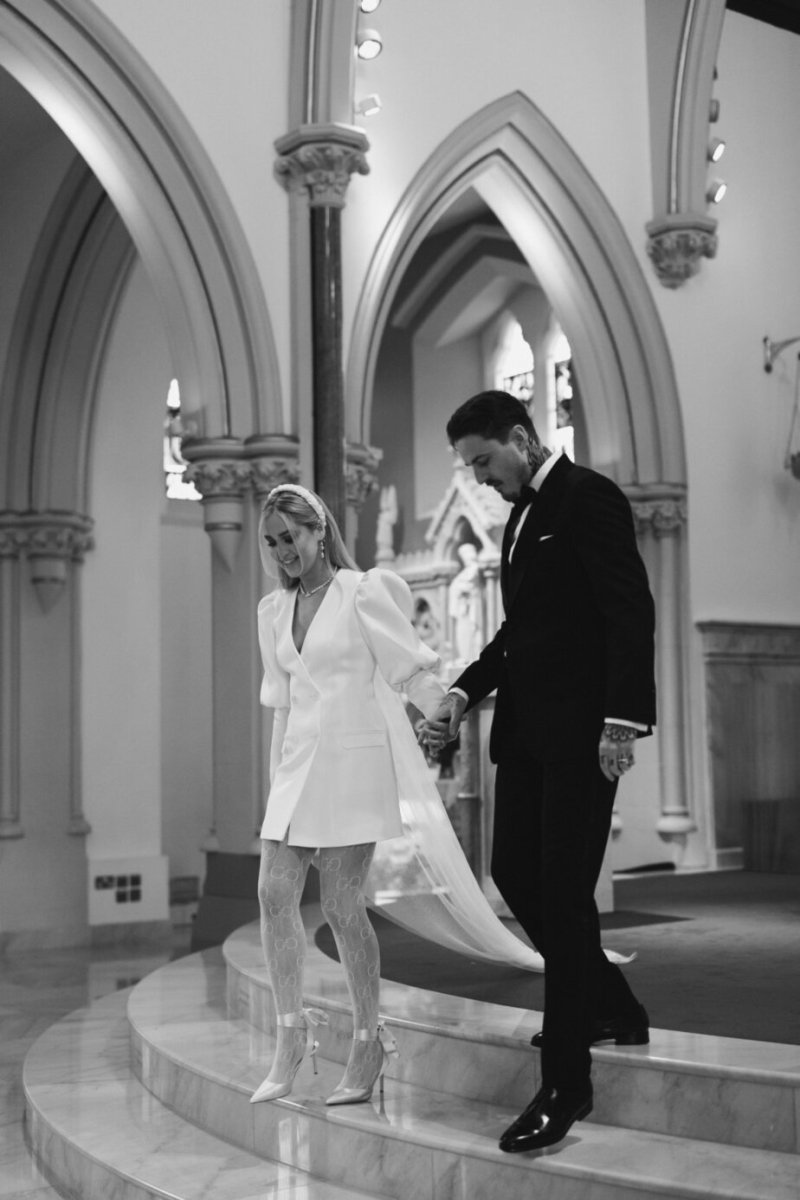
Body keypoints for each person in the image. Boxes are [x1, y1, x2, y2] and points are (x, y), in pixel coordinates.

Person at [424, 390, 656, 1153]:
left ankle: (567, 1086)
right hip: (526, 735)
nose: (481, 478)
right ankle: (613, 1003)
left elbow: (629, 609)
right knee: (513, 871)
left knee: (563, 892)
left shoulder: (590, 498)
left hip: (585, 738)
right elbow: (520, 632)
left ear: (520, 438)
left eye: (484, 461)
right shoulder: (521, 515)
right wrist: (463, 692)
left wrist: (623, 718)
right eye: (471, 468)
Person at [252, 482, 450, 1107]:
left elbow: (409, 667)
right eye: (274, 541)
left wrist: (443, 704)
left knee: (341, 907)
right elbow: (282, 705)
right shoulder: (271, 612)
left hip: (352, 768)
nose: (285, 550)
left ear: (319, 530)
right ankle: (291, 1039)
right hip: (296, 769)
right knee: (272, 893)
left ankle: (369, 1041)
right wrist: (273, 789)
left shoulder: (363, 592)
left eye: (293, 536)